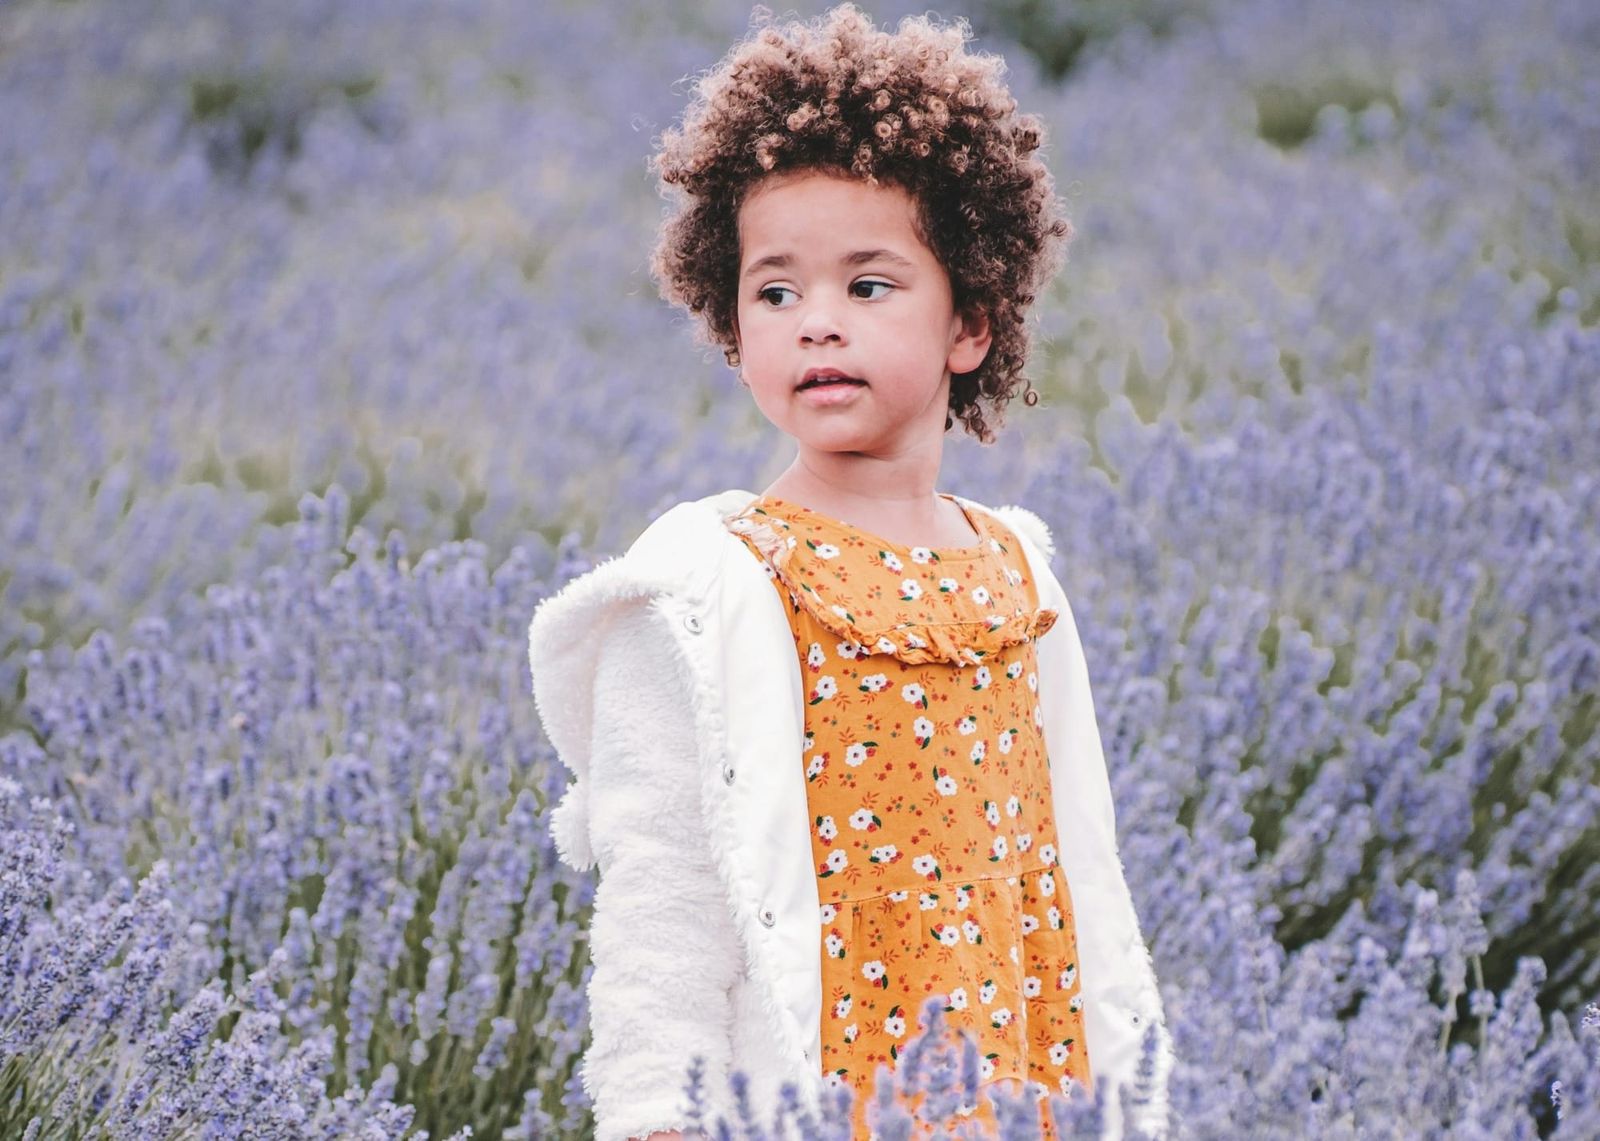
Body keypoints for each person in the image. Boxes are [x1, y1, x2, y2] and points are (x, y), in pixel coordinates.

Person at [527, 6, 1172, 1139]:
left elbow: (1075, 875)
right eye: (775, 291)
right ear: (728, 318)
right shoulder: (703, 590)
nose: (815, 322)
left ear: (971, 320)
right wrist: (655, 1117)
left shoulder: (1016, 576)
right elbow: (659, 900)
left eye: (867, 286)